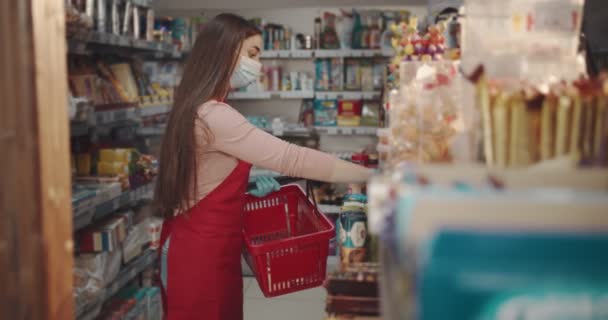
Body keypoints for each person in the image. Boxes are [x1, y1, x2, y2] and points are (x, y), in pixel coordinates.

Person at [154, 13, 372, 320]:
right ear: (225, 51)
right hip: (200, 256)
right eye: (253, 54)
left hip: (200, 245)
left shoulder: (196, 106)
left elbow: (200, 181)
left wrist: (244, 189)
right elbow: (292, 158)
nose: (257, 64)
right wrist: (372, 176)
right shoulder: (215, 115)